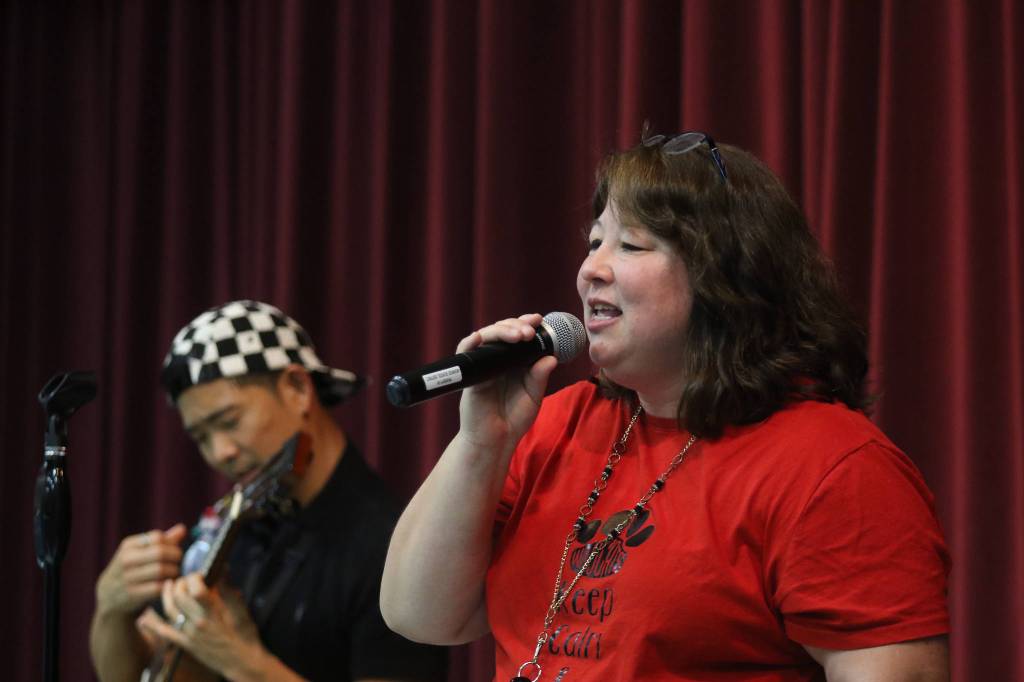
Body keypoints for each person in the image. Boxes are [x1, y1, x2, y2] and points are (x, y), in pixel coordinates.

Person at [380, 133, 951, 681]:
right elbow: (421, 616)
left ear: (726, 277)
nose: (591, 269)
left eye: (630, 245)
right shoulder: (560, 422)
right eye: (594, 241)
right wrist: (484, 443)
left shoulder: (834, 467)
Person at [90, 300, 447, 682]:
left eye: (229, 421)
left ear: (296, 388)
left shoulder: (392, 544)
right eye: (200, 437)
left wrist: (243, 663)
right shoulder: (239, 525)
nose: (219, 452)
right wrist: (112, 607)